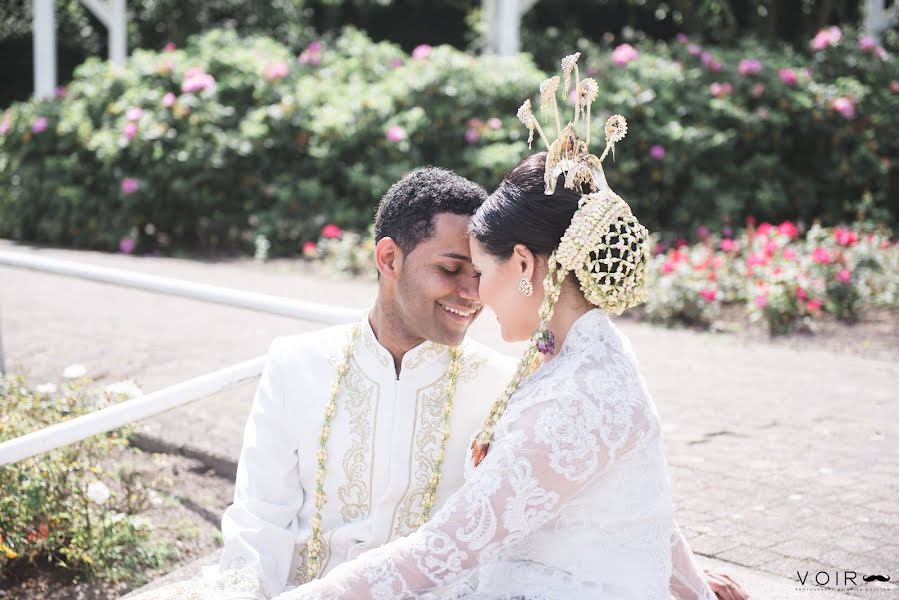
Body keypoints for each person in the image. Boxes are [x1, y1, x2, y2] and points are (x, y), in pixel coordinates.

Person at [127, 58, 747, 600]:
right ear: (389, 259)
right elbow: (256, 521)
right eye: (455, 270)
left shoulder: (519, 387)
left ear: (525, 265)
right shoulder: (298, 365)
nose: (474, 295)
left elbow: (462, 543)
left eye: (480, 271)